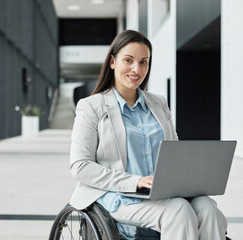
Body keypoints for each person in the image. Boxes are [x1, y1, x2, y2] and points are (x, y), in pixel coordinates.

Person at [69, 30, 227, 240]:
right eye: (129, 60)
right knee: (179, 211)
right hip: (119, 196)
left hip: (163, 192)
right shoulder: (92, 106)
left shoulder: (158, 103)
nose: (137, 69)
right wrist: (135, 181)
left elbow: (175, 151)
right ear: (113, 62)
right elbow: (80, 166)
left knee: (209, 209)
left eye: (144, 62)